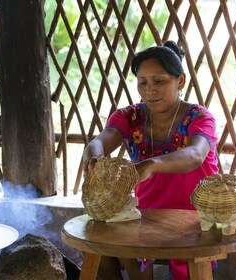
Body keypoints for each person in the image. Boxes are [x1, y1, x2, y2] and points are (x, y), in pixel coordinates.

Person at [83, 40, 219, 280]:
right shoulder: (129, 116)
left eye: (159, 81)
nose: (150, 90)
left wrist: (153, 164)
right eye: (143, 82)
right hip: (145, 216)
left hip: (194, 218)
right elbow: (101, 140)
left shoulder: (199, 117)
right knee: (97, 243)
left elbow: (196, 155)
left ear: (181, 81)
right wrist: (94, 155)